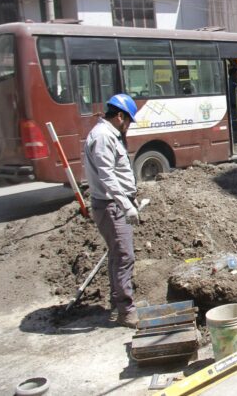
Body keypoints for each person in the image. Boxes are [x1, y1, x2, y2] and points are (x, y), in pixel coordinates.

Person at [83, 94, 140, 328]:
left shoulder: (106, 134)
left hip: (114, 204)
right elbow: (107, 175)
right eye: (128, 121)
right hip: (111, 206)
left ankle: (117, 304)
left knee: (117, 255)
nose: (127, 126)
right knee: (125, 256)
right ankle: (126, 311)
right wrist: (126, 205)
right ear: (119, 116)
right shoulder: (104, 136)